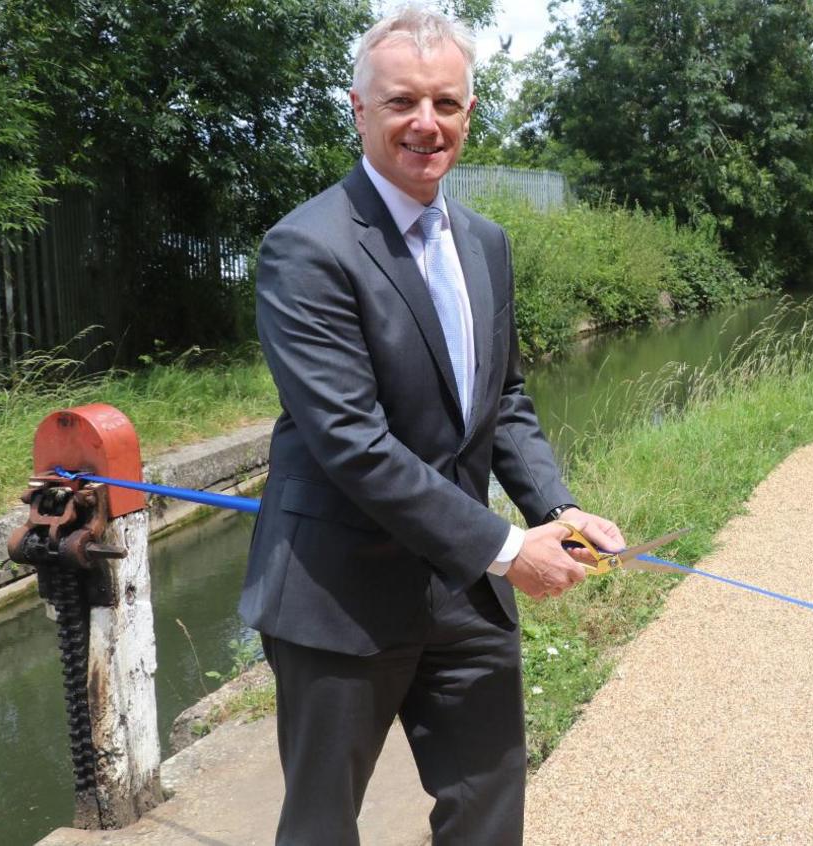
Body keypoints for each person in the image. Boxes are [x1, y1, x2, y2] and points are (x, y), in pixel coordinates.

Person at [239, 6, 624, 843]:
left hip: (462, 587)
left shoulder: (486, 242)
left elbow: (505, 399)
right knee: (322, 824)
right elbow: (351, 441)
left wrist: (555, 509)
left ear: (469, 113)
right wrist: (508, 547)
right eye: (402, 102)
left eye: (446, 103)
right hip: (339, 592)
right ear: (359, 110)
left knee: (490, 805)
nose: (426, 123)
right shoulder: (305, 248)